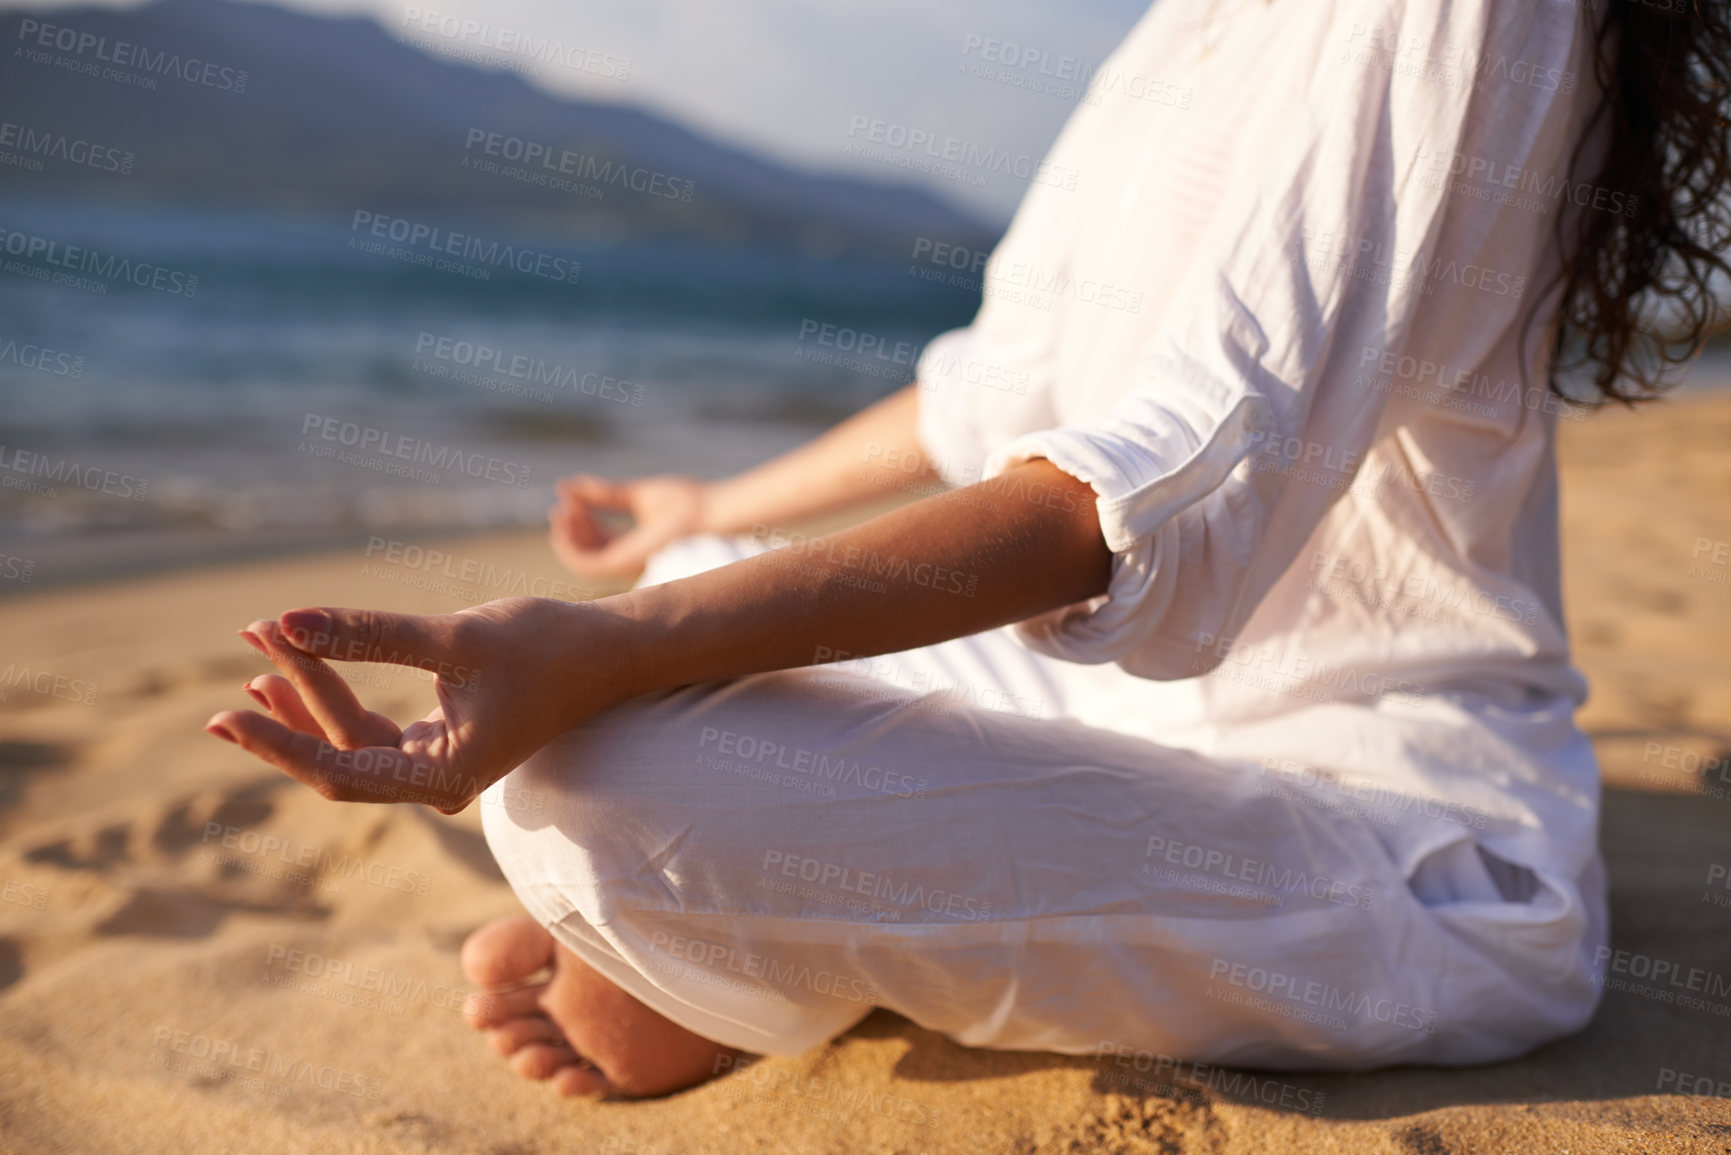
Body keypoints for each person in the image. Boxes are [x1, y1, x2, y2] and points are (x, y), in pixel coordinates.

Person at [207, 0, 1731, 1099]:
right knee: (667, 614)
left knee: (600, 774)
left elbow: (1125, 502)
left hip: (1396, 824)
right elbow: (1000, 390)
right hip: (1117, 709)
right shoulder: (1185, 33)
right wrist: (706, 518)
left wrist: (615, 654)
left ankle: (730, 953)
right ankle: (754, 937)